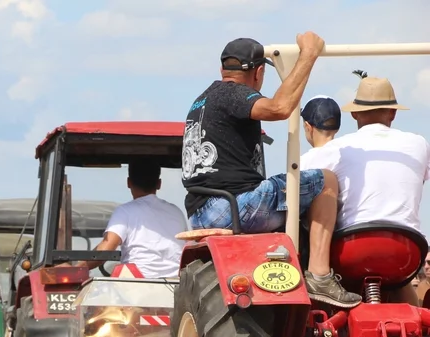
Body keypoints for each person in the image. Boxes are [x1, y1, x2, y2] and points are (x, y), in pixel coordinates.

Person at [182, 33, 361, 309]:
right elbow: (279, 107)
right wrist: (308, 55)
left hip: (201, 210)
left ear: (222, 69)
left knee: (291, 192)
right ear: (259, 72)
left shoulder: (201, 101)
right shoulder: (232, 93)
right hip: (234, 206)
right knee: (326, 180)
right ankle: (321, 276)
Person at [298, 75, 430, 306]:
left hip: (351, 251)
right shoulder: (419, 144)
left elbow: (299, 184)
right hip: (407, 253)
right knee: (400, 283)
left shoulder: (335, 148)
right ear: (393, 113)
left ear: (354, 114)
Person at [74, 161, 188, 278]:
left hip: (137, 286)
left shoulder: (124, 212)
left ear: (128, 182)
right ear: (159, 184)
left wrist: (78, 267)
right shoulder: (176, 212)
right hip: (176, 286)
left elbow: (105, 250)